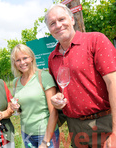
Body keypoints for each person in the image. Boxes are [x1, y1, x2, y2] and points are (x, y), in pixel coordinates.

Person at [45, 3, 116, 148]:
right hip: (75, 127)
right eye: (52, 23)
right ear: (49, 30)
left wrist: (115, 131)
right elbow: (62, 89)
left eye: (62, 19)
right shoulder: (52, 57)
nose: (58, 25)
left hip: (104, 123)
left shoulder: (96, 40)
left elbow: (113, 83)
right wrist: (57, 98)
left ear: (72, 19)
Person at [10, 44, 59, 148]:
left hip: (45, 133)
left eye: (25, 58)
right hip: (27, 134)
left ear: (31, 58)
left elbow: (54, 113)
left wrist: (45, 141)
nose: (22, 62)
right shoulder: (15, 82)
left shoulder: (43, 77)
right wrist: (16, 108)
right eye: (18, 60)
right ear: (14, 63)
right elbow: (21, 108)